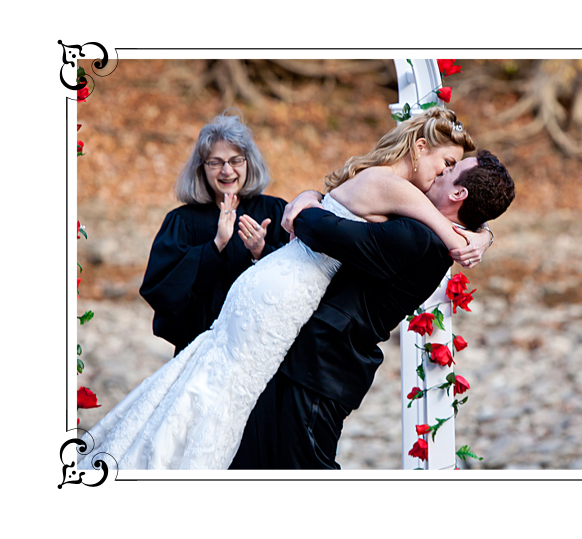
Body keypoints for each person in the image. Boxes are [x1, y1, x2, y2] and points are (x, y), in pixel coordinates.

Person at [77, 107, 494, 470]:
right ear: (420, 148)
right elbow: (340, 223)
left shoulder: (389, 190)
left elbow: (343, 206)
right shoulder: (395, 189)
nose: (442, 173)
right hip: (280, 300)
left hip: (276, 295)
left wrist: (481, 233)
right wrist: (464, 239)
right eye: (445, 162)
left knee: (227, 395)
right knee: (233, 401)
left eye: (236, 160)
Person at [229, 148, 515, 469]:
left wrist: (307, 205)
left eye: (450, 170)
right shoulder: (430, 232)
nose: (440, 172)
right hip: (310, 363)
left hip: (322, 367)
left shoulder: (419, 239)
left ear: (459, 192)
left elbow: (327, 232)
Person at [139, 112, 290, 355]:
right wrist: (215, 246)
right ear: (202, 168)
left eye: (235, 160)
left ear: (248, 162)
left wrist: (261, 251)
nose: (227, 171)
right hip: (200, 349)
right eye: (216, 162)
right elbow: (161, 291)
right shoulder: (182, 222)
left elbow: (296, 280)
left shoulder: (273, 211)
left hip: (261, 351)